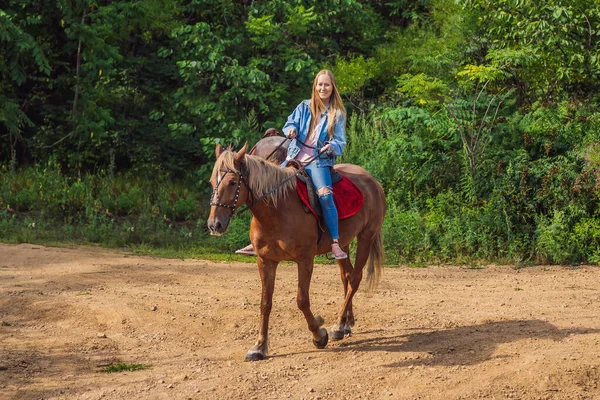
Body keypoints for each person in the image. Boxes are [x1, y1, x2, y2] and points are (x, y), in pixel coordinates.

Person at [236, 69, 348, 259]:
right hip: (294, 157)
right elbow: (290, 123)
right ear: (315, 86)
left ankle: (335, 242)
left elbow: (340, 142)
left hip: (318, 161)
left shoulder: (337, 114)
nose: (323, 88)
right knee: (266, 191)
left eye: (326, 85)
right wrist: (291, 130)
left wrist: (329, 146)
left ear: (332, 87)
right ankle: (258, 239)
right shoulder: (304, 107)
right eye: (320, 84)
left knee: (325, 195)